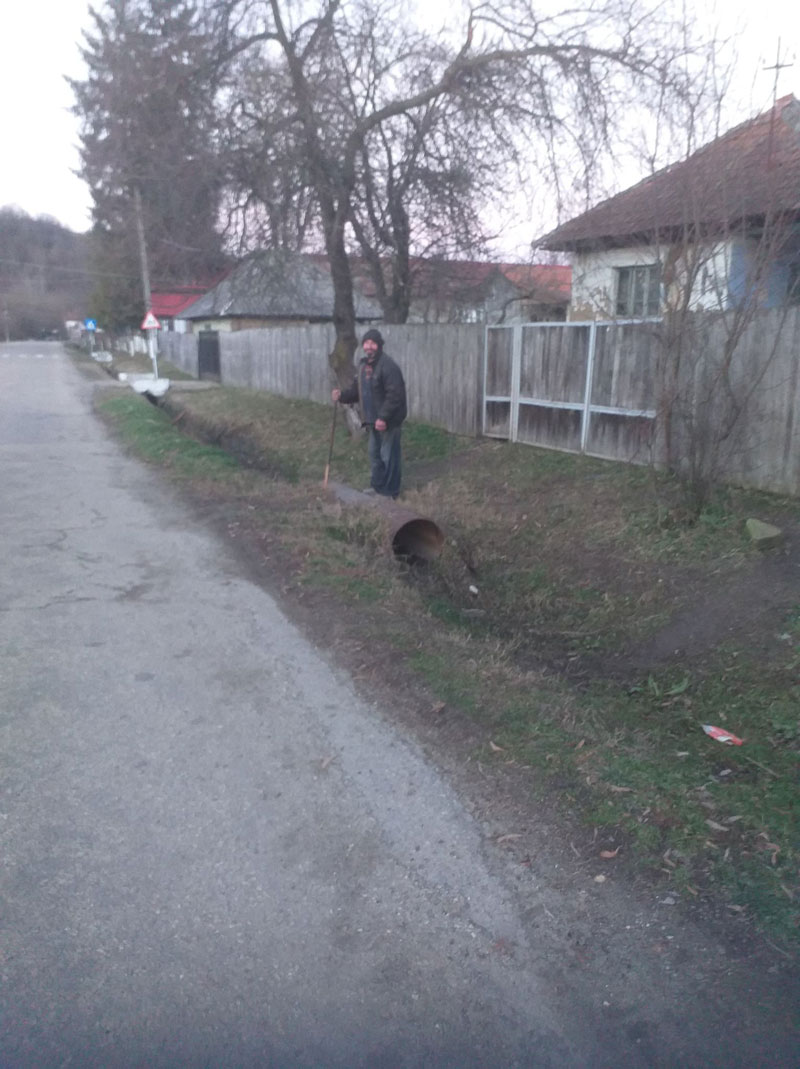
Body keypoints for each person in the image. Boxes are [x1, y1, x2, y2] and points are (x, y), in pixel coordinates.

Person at [331, 328, 407, 498]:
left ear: (379, 345)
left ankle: (390, 491)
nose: (369, 346)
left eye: (373, 343)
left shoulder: (388, 366)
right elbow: (356, 391)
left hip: (388, 420)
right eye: (366, 343)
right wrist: (341, 396)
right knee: (375, 455)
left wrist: (383, 417)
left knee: (389, 456)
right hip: (373, 420)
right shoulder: (363, 366)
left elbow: (395, 395)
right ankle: (378, 487)